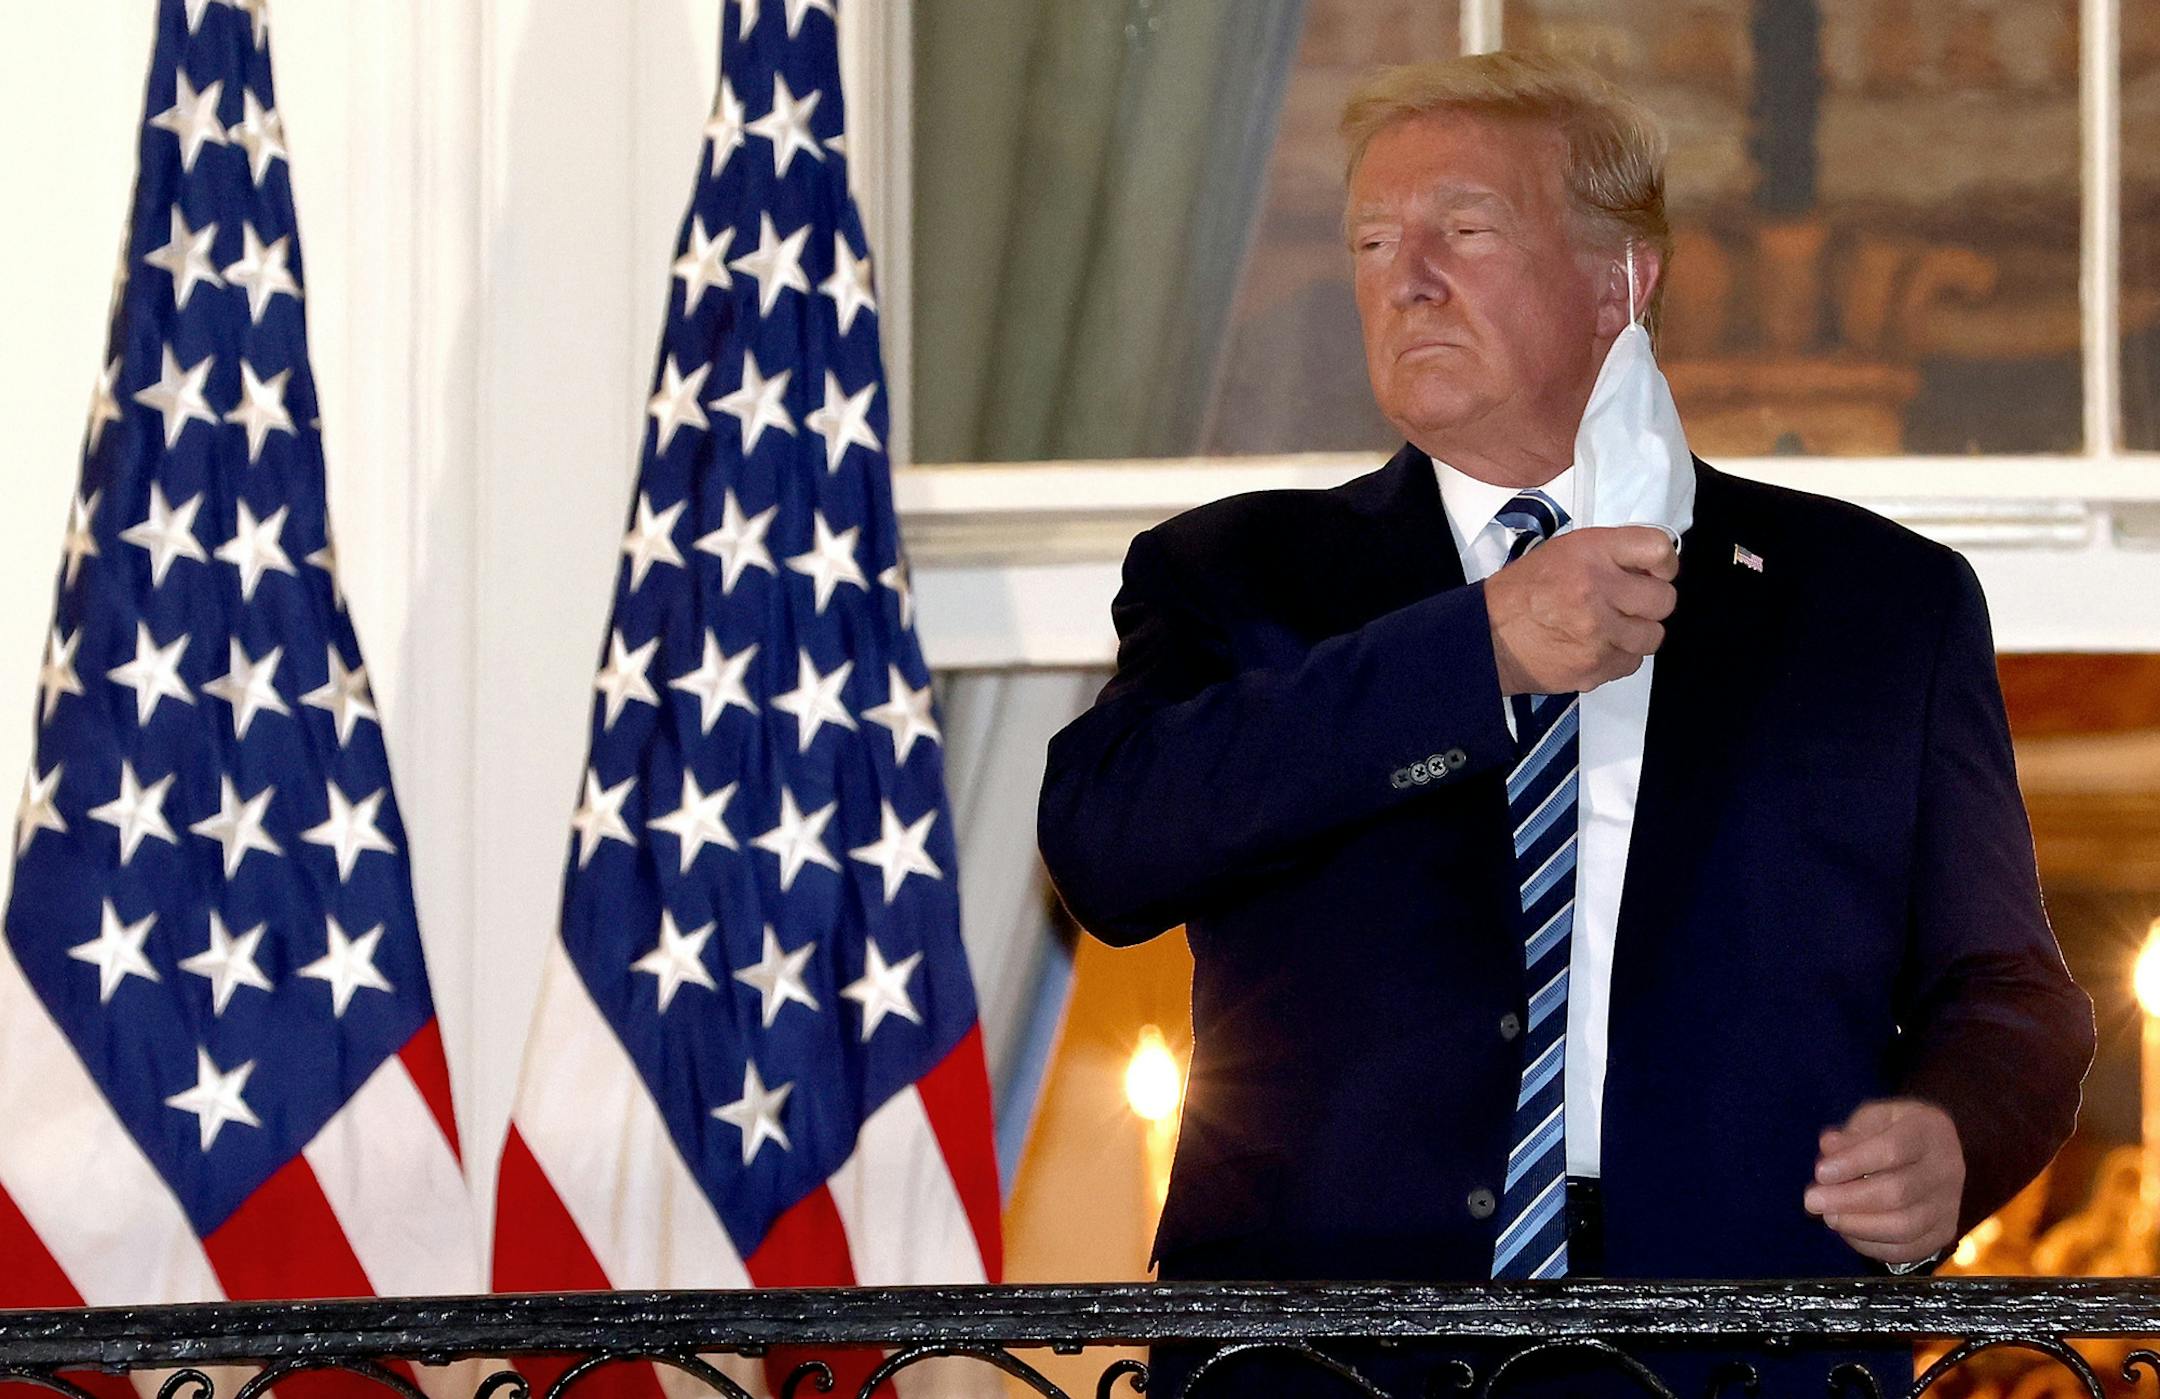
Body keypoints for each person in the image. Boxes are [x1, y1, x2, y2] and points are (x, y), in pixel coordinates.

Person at [1035, 50, 2095, 1398]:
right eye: (1371, 239)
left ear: (1622, 280)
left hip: (1732, 1356)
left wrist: (1958, 1136)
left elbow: (2011, 994)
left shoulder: (1876, 605)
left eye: (1463, 230)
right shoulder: (1237, 577)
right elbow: (1108, 849)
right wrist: (1471, 654)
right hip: (1330, 1364)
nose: (1404, 274)